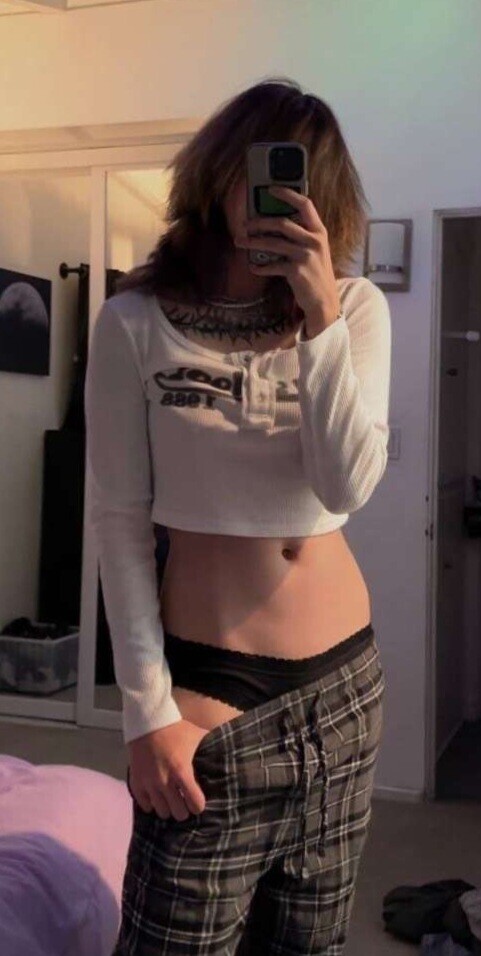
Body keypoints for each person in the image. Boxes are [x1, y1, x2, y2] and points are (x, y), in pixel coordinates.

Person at [85, 76, 391, 955]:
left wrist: (318, 317)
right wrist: (145, 714)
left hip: (344, 688)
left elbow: (343, 488)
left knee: (308, 942)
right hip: (211, 694)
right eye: (261, 171)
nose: (278, 196)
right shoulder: (134, 319)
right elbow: (117, 518)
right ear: (219, 174)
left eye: (302, 179)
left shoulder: (353, 309)